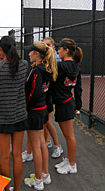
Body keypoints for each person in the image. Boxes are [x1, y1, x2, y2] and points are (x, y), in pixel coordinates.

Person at [0, 36, 28, 191]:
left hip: (2, 117)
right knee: (17, 155)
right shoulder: (23, 65)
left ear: (1, 50)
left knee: (4, 156)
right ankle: (16, 189)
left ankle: (7, 188)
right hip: (20, 115)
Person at [24, 41, 58, 190]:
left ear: (37, 54)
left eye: (31, 52)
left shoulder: (37, 71)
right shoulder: (47, 69)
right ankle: (45, 174)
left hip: (35, 111)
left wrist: (25, 103)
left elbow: (34, 93)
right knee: (42, 143)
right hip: (42, 109)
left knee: (36, 146)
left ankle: (38, 180)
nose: (29, 54)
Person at [52, 38, 82, 174]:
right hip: (67, 102)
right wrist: (78, 106)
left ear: (66, 50)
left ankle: (72, 164)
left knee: (69, 136)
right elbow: (78, 88)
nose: (58, 51)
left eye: (60, 49)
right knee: (67, 135)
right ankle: (69, 158)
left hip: (64, 103)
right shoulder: (76, 66)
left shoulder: (61, 66)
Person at [43, 37, 63, 158]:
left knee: (47, 121)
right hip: (45, 93)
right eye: (44, 45)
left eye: (48, 45)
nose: (46, 47)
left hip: (50, 94)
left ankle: (57, 145)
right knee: (44, 121)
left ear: (53, 46)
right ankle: (48, 141)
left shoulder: (57, 61)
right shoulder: (44, 59)